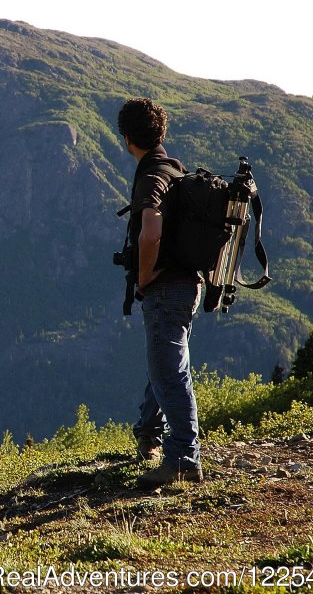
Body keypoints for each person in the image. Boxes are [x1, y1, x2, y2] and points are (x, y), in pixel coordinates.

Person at [117, 97, 204, 488]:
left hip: (166, 287)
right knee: (164, 361)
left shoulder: (151, 176)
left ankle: (184, 458)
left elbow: (150, 230)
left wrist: (146, 274)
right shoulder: (174, 169)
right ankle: (149, 432)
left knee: (169, 369)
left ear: (126, 138)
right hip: (189, 282)